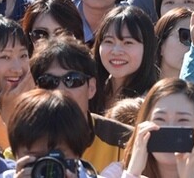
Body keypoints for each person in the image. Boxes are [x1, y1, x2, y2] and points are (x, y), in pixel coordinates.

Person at [29, 36, 132, 172]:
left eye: (72, 80)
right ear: (36, 89)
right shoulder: (25, 139)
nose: (60, 91)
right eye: (49, 82)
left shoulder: (125, 140)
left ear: (91, 88)